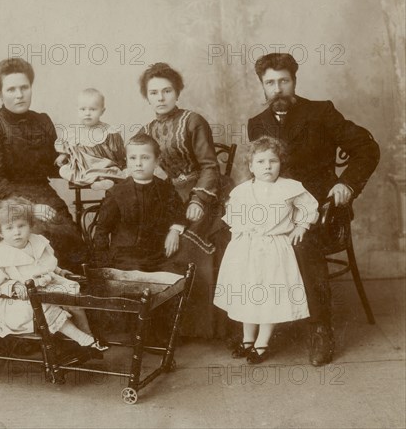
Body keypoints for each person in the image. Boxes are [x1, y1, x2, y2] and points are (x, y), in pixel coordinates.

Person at [247, 52, 380, 366]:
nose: (277, 89)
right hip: (276, 212)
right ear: (263, 88)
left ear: (294, 81)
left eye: (284, 81)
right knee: (241, 240)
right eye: (270, 83)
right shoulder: (257, 124)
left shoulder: (322, 112)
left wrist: (347, 184)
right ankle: (252, 321)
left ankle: (320, 327)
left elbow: (367, 148)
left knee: (302, 242)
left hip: (324, 210)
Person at [135, 62, 227, 338]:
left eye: (166, 91)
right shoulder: (147, 129)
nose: (160, 98)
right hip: (170, 198)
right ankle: (165, 327)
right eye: (154, 93)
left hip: (203, 192)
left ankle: (200, 328)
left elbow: (210, 166)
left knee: (185, 244)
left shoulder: (193, 120)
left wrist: (198, 200)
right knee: (148, 240)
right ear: (147, 96)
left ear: (177, 93)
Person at [0, 58, 86, 272]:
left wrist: (74, 160)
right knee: (37, 241)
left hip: (43, 192)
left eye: (24, 87)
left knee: (71, 240)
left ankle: (67, 300)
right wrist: (30, 208)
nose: (19, 95)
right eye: (11, 89)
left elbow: (52, 167)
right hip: (7, 201)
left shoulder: (42, 121)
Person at [214, 136, 318, 364]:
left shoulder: (289, 188)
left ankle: (262, 343)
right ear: (251, 166)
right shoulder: (241, 191)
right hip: (247, 248)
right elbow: (234, 219)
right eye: (260, 162)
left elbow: (309, 207)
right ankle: (247, 339)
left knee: (271, 294)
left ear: (281, 163)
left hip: (275, 248)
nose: (268, 166)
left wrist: (302, 225)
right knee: (248, 293)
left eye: (273, 161)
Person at [0, 198, 108, 351]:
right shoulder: (1, 255)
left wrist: (58, 271)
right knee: (48, 308)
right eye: (9, 228)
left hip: (46, 289)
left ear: (30, 226)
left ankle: (87, 333)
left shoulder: (37, 242)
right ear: (0, 232)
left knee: (73, 296)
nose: (17, 232)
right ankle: (82, 338)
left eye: (21, 226)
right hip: (19, 303)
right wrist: (13, 285)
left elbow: (45, 264)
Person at [93, 134, 186, 271]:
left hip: (158, 256)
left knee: (181, 272)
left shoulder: (166, 189)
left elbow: (178, 211)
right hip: (125, 258)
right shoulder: (116, 193)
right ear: (127, 161)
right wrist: (104, 265)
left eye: (145, 158)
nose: (138, 163)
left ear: (157, 161)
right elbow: (102, 231)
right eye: (133, 158)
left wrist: (174, 231)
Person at [55, 88, 126, 191]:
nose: (87, 113)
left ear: (102, 111)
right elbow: (68, 148)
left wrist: (122, 164)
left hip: (102, 167)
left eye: (92, 109)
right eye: (83, 109)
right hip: (82, 168)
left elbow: (117, 153)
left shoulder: (107, 132)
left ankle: (103, 180)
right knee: (63, 170)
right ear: (77, 109)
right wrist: (63, 155)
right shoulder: (72, 132)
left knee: (111, 170)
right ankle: (95, 180)